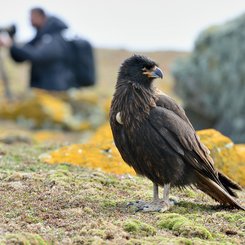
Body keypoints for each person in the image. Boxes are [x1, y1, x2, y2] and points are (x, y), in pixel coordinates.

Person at [0, 7, 77, 91]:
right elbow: (21, 57)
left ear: (41, 16)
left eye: (32, 17)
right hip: (42, 88)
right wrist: (12, 41)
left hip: (54, 90)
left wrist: (10, 43)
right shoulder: (40, 36)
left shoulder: (53, 38)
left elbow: (36, 55)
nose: (30, 21)